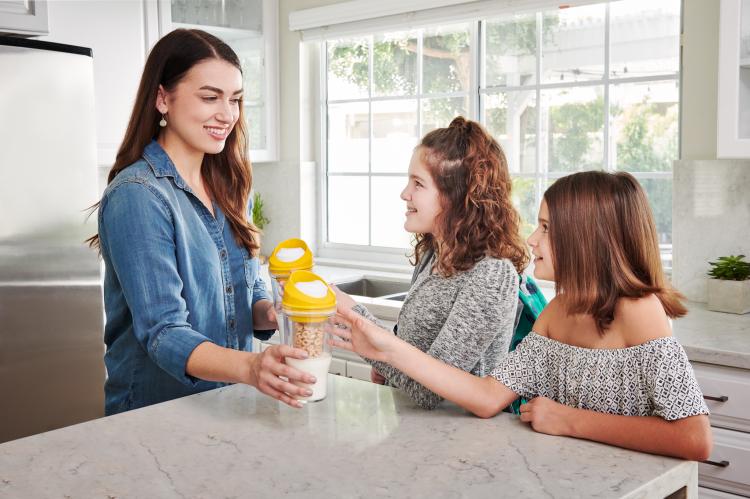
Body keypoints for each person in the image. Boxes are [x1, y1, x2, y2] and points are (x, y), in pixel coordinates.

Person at [333, 171, 713, 460]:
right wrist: (385, 346)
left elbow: (694, 437)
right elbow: (486, 397)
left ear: (587, 238)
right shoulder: (559, 311)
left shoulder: (639, 310)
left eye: (546, 227)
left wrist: (569, 420)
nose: (532, 239)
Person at [87, 29, 313, 414]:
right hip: (154, 413)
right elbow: (163, 332)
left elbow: (246, 284)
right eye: (210, 97)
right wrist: (252, 366)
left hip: (228, 403)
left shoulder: (230, 185)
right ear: (162, 98)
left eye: (236, 99)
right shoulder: (138, 194)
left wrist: (271, 310)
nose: (227, 114)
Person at [334, 117, 529, 409]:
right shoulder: (433, 254)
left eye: (418, 183)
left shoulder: (492, 273)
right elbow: (412, 359)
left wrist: (354, 313)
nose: (405, 194)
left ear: (456, 197)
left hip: (460, 441)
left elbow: (430, 391)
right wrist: (388, 369)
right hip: (418, 431)